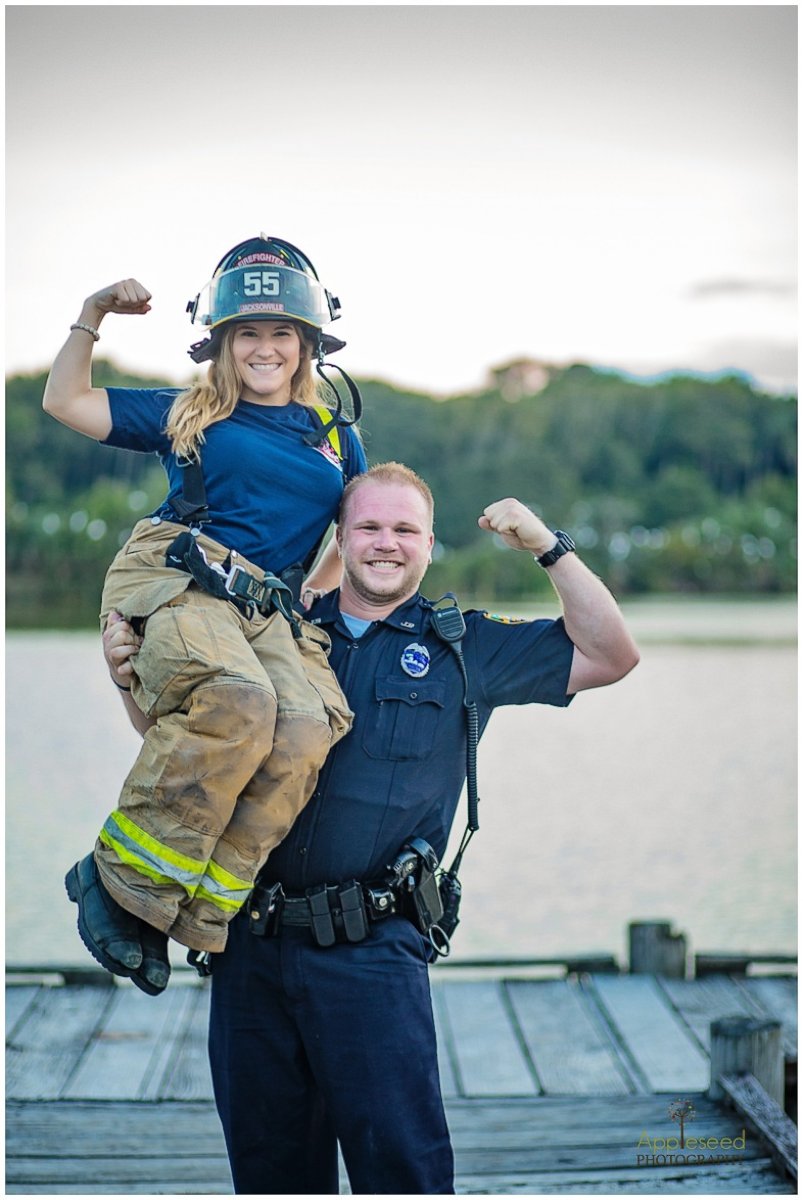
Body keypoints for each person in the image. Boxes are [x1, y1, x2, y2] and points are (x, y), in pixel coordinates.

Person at [103, 461, 640, 1195]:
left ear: (427, 544)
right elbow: (177, 740)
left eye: (403, 530)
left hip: (372, 956)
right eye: (368, 527)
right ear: (342, 537)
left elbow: (610, 655)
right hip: (248, 950)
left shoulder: (463, 646)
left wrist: (548, 546)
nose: (385, 543)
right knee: (270, 1177)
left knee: (403, 1175)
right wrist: (126, 678)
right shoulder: (271, 629)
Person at [43, 235, 367, 997]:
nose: (264, 348)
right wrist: (92, 315)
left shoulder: (336, 439)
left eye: (280, 332)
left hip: (267, 606)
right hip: (178, 574)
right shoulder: (187, 410)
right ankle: (113, 885)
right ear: (220, 344)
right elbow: (64, 401)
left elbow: (347, 540)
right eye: (246, 333)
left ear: (307, 343)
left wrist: (312, 596)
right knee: (238, 701)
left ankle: (188, 918)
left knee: (305, 730)